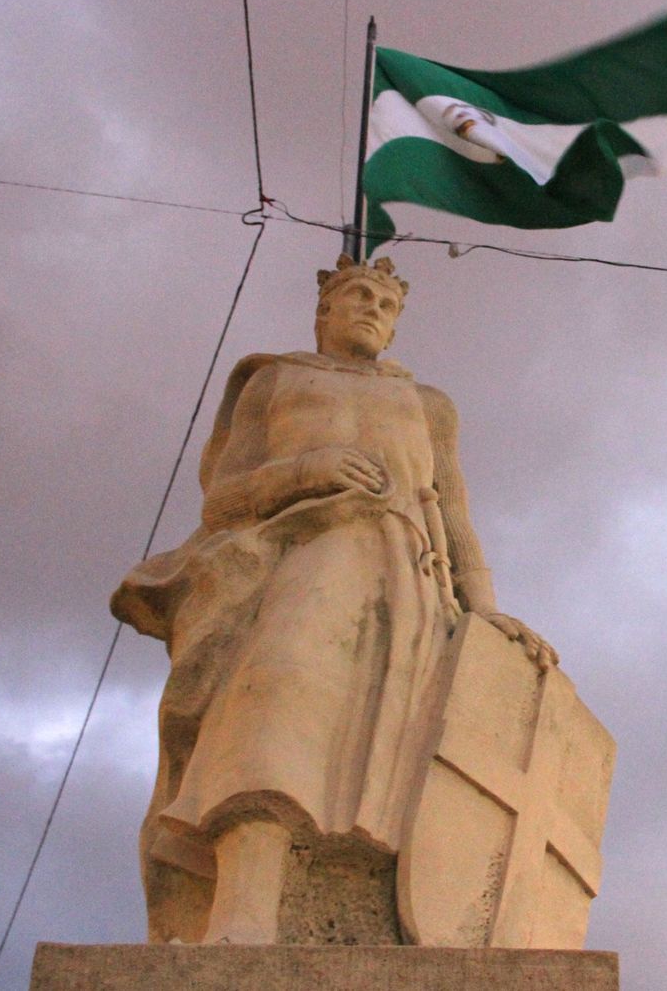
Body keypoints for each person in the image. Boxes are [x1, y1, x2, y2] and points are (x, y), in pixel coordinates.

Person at [111, 255, 549, 944]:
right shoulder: (275, 381)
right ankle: (246, 909)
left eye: (387, 305)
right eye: (360, 295)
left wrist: (487, 610)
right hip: (297, 561)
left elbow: (455, 514)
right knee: (269, 718)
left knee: (390, 760)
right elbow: (222, 501)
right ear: (324, 310)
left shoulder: (428, 404)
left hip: (406, 584)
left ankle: (372, 914)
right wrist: (304, 471)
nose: (374, 309)